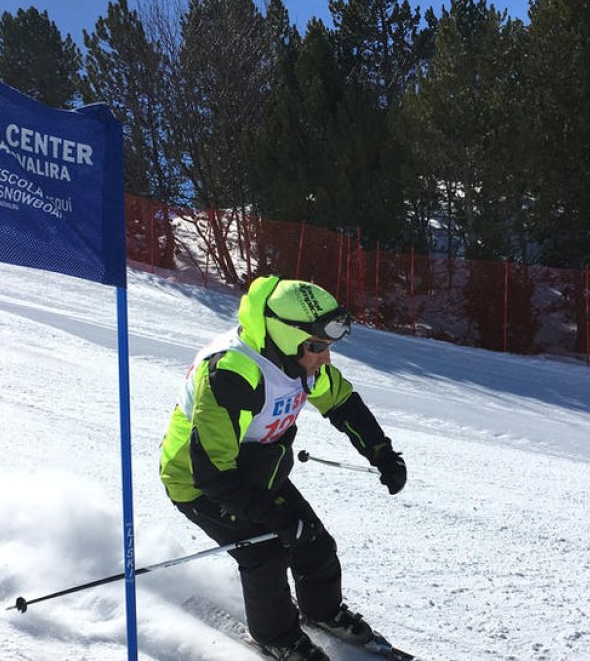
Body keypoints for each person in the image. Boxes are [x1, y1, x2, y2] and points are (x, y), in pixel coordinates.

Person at [159, 275, 408, 661]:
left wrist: (382, 453)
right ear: (284, 336)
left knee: (313, 540)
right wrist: (274, 515)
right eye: (317, 347)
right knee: (266, 552)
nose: (325, 358)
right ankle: (277, 637)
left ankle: (322, 613)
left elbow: (342, 403)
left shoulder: (299, 360)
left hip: (256, 470)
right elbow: (212, 474)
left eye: (328, 346)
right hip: (198, 482)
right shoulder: (232, 374)